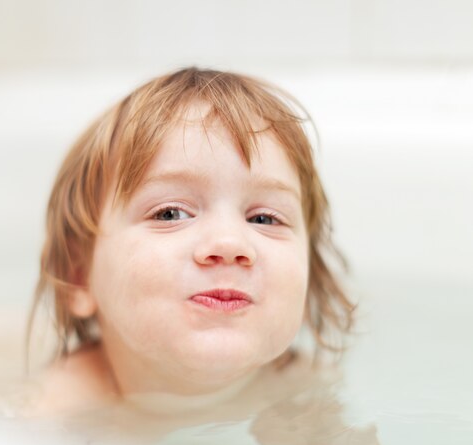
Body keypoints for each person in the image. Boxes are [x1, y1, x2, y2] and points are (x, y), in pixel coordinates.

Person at [27, 67, 356, 415]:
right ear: (79, 275)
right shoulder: (66, 406)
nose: (230, 244)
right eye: (170, 214)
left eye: (264, 219)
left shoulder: (303, 390)